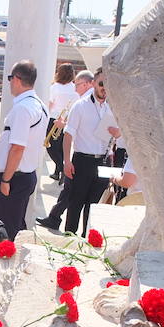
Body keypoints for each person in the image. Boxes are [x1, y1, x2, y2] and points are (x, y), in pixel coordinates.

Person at [0, 61, 49, 240]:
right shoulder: (39, 105)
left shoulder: (23, 108)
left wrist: (5, 180)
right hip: (24, 176)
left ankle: (7, 266)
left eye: (10, 78)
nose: (9, 82)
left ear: (16, 79)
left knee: (7, 232)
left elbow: (17, 148)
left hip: (14, 178)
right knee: (16, 228)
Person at [57, 67, 115, 235]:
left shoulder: (112, 106)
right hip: (82, 161)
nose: (105, 87)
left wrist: (117, 134)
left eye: (108, 84)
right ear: (94, 84)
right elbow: (68, 135)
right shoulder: (80, 106)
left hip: (104, 161)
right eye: (102, 83)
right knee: (76, 204)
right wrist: (66, 162)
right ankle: (69, 240)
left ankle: (88, 241)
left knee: (95, 207)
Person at [35, 70, 95, 231]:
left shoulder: (86, 100)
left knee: (71, 191)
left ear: (88, 83)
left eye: (78, 85)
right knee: (71, 191)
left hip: (83, 153)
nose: (76, 88)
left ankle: (55, 218)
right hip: (86, 153)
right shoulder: (85, 99)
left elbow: (80, 127)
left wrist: (64, 125)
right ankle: (55, 217)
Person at [45, 63, 76, 181]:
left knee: (50, 147)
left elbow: (50, 104)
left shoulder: (54, 87)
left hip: (54, 119)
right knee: (62, 148)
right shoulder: (74, 88)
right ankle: (57, 172)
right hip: (67, 120)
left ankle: (61, 168)